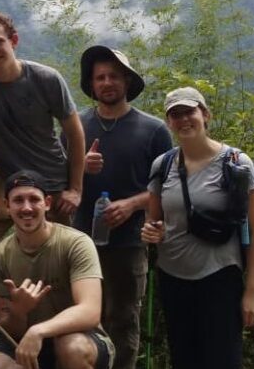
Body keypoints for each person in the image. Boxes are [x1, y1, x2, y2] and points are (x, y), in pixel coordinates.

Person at [0, 11, 85, 367]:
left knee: (62, 259)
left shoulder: (45, 79)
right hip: (5, 184)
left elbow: (75, 133)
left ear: (14, 40)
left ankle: (63, 339)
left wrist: (75, 189)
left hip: (51, 184)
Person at [141, 87, 254, 368]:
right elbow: (154, 221)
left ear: (205, 114)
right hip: (173, 276)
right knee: (184, 359)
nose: (183, 120)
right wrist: (150, 232)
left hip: (220, 276)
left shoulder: (236, 163)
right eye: (175, 114)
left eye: (189, 112)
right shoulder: (163, 165)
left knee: (223, 359)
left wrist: (253, 290)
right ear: (168, 121)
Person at [70, 45, 172, 369]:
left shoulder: (154, 130)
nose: (106, 82)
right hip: (80, 241)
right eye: (100, 77)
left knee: (124, 319)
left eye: (113, 76)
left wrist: (133, 204)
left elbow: (168, 188)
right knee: (81, 317)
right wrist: (79, 167)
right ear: (92, 84)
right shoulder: (77, 127)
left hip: (130, 242)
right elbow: (54, 181)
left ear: (127, 82)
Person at [0, 170, 114, 369]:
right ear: (7, 206)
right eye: (18, 200)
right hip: (27, 341)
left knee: (71, 348)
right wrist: (19, 312)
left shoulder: (76, 243)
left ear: (47, 203)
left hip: (80, 338)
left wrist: (39, 330)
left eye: (34, 199)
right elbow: (9, 329)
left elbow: (90, 311)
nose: (27, 208)